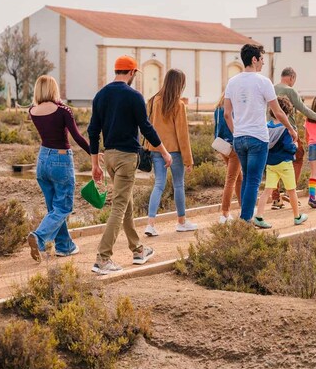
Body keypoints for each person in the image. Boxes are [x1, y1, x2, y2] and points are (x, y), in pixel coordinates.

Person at [87, 55, 173, 275]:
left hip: (110, 158)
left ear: (117, 71)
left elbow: (93, 131)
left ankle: (138, 250)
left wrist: (94, 163)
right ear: (132, 72)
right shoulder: (134, 96)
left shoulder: (100, 95)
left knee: (126, 204)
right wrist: (164, 152)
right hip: (126, 158)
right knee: (119, 207)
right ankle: (103, 259)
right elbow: (146, 127)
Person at [224, 44, 297, 226]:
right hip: (257, 137)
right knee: (253, 181)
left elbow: (226, 113)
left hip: (240, 138)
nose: (263, 63)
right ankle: (246, 220)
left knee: (248, 178)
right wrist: (291, 129)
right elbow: (278, 112)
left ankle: (246, 218)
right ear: (254, 59)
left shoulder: (232, 82)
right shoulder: (263, 82)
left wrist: (236, 132)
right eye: (262, 59)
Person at [26, 75, 91, 261]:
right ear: (54, 89)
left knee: (54, 208)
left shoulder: (33, 110)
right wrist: (93, 153)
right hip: (60, 160)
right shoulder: (63, 111)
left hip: (42, 161)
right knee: (63, 207)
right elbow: (77, 137)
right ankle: (38, 237)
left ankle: (64, 246)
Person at [143, 69, 197, 236]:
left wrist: (146, 147)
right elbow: (182, 134)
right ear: (179, 84)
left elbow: (146, 127)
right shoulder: (178, 105)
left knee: (158, 185)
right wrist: (188, 160)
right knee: (178, 185)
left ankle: (150, 224)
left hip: (156, 149)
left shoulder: (152, 101)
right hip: (174, 152)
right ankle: (181, 222)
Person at [273, 67, 316, 206]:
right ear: (291, 77)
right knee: (299, 156)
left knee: (274, 162)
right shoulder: (290, 90)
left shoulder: (271, 88)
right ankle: (289, 191)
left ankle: (276, 199)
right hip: (288, 130)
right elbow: (302, 108)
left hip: (271, 129)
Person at [262, 96, 308, 227]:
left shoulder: (267, 126)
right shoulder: (285, 128)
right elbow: (289, 147)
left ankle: (259, 216)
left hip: (270, 163)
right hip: (284, 163)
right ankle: (297, 216)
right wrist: (296, 147)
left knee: (267, 190)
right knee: (291, 190)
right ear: (286, 112)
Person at [214, 90, 242, 224]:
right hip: (234, 147)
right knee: (231, 180)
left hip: (222, 146)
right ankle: (225, 214)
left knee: (239, 178)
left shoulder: (217, 109)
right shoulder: (233, 110)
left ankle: (244, 208)